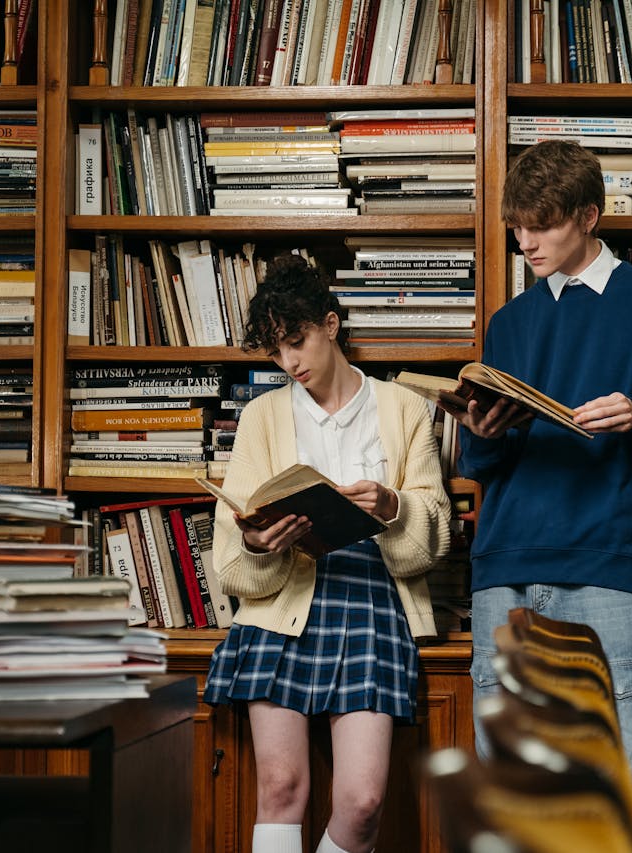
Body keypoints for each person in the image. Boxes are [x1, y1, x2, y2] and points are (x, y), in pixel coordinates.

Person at [448, 140, 632, 852]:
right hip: (505, 570)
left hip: (608, 566)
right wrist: (480, 431)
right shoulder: (511, 322)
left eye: (541, 224)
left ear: (590, 216)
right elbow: (487, 462)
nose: (525, 240)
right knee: (510, 792)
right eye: (517, 225)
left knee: (631, 783)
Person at [202, 253, 452, 853]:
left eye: (298, 342)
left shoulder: (403, 408)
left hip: (371, 602)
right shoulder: (261, 416)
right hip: (284, 602)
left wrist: (393, 506)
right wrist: (258, 542)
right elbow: (231, 562)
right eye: (276, 351)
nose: (289, 363)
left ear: (331, 325)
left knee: (362, 803)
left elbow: (432, 541)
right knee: (282, 787)